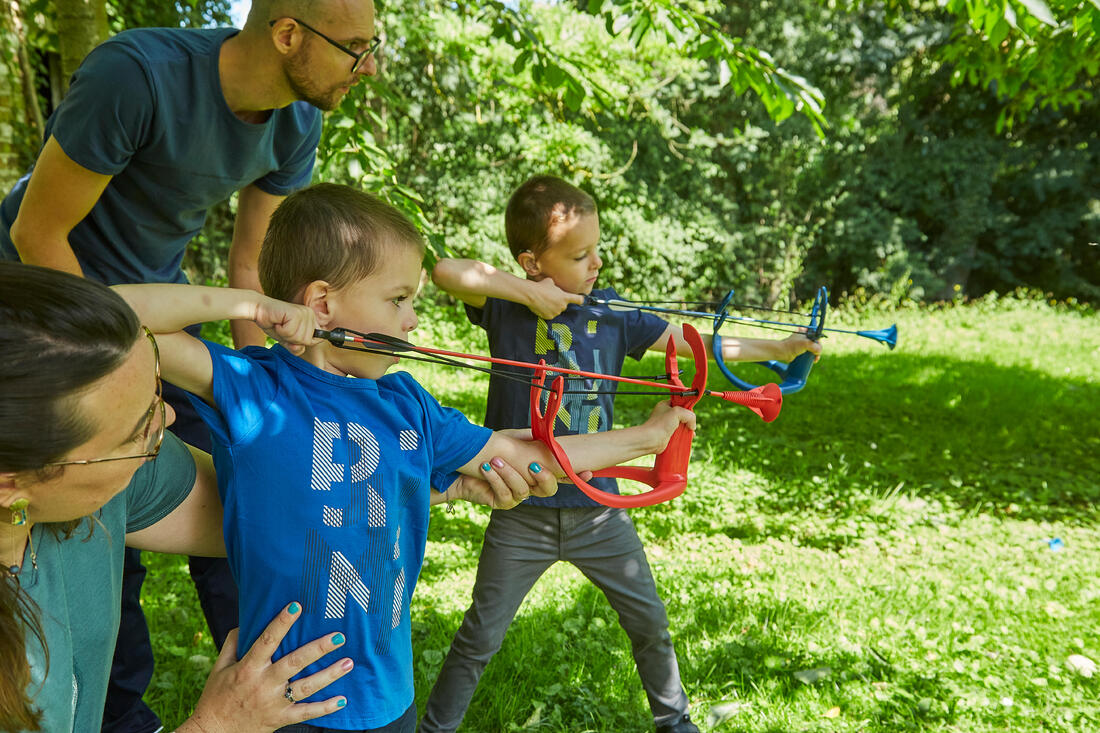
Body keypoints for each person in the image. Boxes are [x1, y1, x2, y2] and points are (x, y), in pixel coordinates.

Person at [113, 182, 696, 733]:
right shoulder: (252, 389)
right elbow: (111, 316)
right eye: (397, 300)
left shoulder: (408, 404)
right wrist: (252, 306)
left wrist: (648, 439)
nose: (413, 320)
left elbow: (524, 458)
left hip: (390, 697)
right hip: (285, 706)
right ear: (321, 303)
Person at [0, 2, 381, 729]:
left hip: (161, 318)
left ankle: (278, 687)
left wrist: (273, 391)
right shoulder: (137, 78)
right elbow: (35, 229)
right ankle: (107, 708)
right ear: (288, 33)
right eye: (354, 48)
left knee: (233, 466)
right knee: (98, 524)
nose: (367, 67)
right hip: (53, 321)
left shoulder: (297, 121)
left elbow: (249, 264)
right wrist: (107, 363)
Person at [421, 175, 824, 733]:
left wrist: (778, 348)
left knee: (649, 624)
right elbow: (447, 271)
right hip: (520, 512)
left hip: (598, 509)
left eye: (598, 250)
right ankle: (434, 729)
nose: (596, 264)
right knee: (480, 637)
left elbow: (695, 343)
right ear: (532, 261)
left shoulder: (611, 314)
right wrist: (527, 292)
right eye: (580, 254)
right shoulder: (506, 310)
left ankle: (675, 721)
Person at [0, 262, 359, 733]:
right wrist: (217, 725)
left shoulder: (98, 481)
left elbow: (269, 513)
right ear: (11, 485)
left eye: (153, 396)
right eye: (135, 432)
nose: (166, 418)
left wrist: (431, 485)